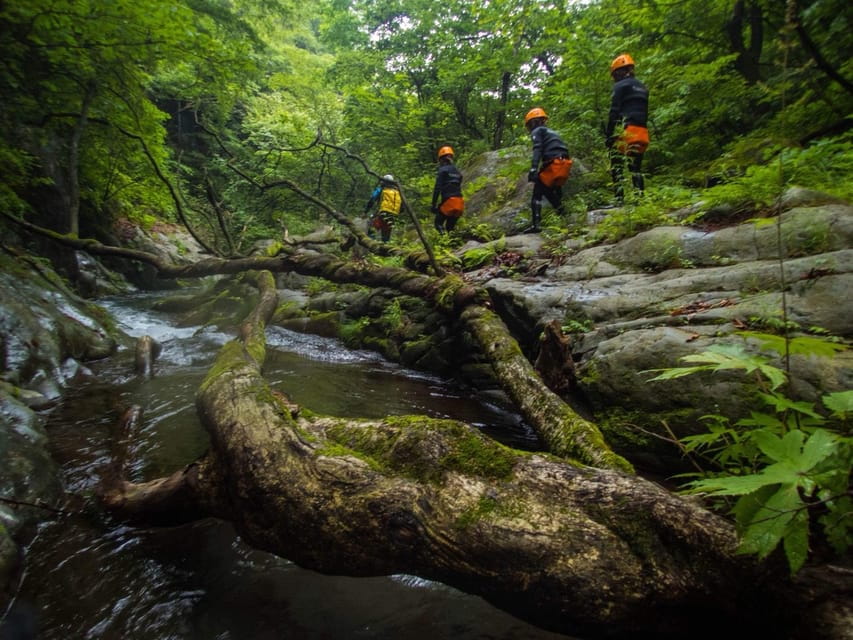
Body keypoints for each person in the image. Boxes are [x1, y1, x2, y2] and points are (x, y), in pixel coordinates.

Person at [605, 53, 650, 204]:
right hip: (642, 131)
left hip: (626, 129)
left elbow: (614, 111)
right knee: (636, 167)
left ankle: (619, 199)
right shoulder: (642, 87)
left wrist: (609, 135)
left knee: (616, 164)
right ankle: (640, 198)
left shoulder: (620, 86)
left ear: (618, 72)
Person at [524, 107, 572, 233]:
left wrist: (534, 168)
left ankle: (537, 224)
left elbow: (538, 149)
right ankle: (564, 218)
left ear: (533, 122)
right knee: (552, 190)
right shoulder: (552, 132)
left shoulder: (537, 131)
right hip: (564, 163)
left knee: (538, 191)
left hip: (554, 163)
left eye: (529, 125)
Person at [431, 146, 464, 233]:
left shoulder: (442, 170)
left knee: (438, 223)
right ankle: (452, 244)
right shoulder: (457, 171)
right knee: (450, 228)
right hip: (459, 202)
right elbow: (459, 181)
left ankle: (443, 242)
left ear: (441, 159)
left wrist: (433, 204)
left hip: (449, 202)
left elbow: (437, 188)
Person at [363, 174, 402, 243]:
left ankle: (370, 245)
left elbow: (372, 199)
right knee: (386, 234)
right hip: (394, 215)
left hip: (383, 213)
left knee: (372, 227)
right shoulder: (398, 192)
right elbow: (402, 207)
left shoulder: (381, 189)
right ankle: (385, 248)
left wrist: (365, 211)